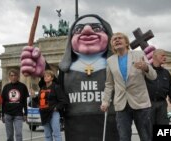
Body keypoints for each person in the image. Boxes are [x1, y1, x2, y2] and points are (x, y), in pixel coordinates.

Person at [21, 14, 155, 141]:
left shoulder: (115, 61)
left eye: (96, 28)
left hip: (111, 119)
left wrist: (150, 67)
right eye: (78, 29)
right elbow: (57, 88)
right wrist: (44, 70)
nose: (87, 30)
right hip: (75, 125)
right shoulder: (68, 67)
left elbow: (145, 80)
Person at [101, 32, 157, 141]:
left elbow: (153, 76)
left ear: (126, 42)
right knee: (124, 137)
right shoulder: (110, 61)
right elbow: (109, 84)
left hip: (140, 103)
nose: (117, 40)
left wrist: (146, 67)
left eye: (119, 38)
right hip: (121, 104)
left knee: (146, 137)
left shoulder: (139, 54)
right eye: (114, 39)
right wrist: (105, 101)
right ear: (112, 45)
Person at [30, 70, 68, 141]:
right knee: (47, 135)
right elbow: (39, 101)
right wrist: (34, 96)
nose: (46, 77)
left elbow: (64, 101)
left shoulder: (56, 87)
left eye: (48, 76)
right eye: (45, 76)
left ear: (52, 78)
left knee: (56, 134)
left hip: (53, 113)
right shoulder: (42, 88)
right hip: (44, 114)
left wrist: (56, 108)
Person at [145, 49, 171, 126]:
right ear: (155, 56)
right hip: (148, 104)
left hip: (162, 104)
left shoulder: (166, 73)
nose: (165, 57)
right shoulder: (146, 70)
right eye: (162, 55)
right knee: (149, 129)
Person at [1, 69, 29, 141]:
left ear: (18, 76)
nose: (13, 77)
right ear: (9, 77)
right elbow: (3, 102)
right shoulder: (6, 87)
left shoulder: (23, 87)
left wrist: (26, 114)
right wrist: (2, 115)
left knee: (18, 134)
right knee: (9, 136)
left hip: (18, 114)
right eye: (11, 75)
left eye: (15, 75)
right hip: (8, 114)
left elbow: (25, 101)